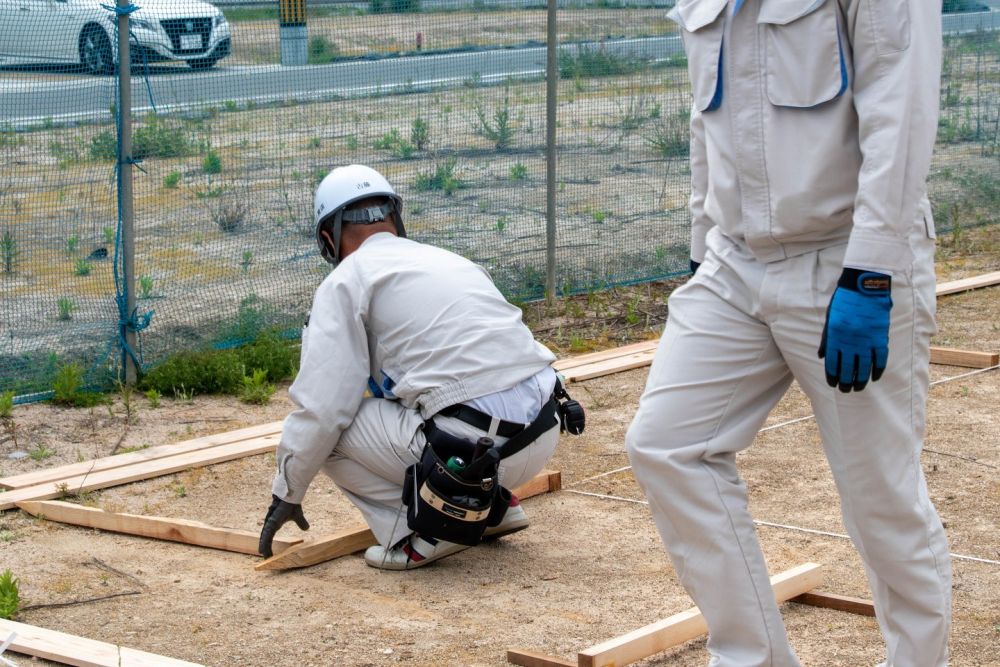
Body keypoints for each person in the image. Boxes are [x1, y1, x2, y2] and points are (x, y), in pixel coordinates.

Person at [625, 2, 950, 666]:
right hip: (733, 260)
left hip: (844, 261)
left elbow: (902, 108)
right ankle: (752, 659)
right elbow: (705, 117)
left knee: (879, 496)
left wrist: (873, 271)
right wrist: (699, 246)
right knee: (666, 444)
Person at [257, 164, 564, 570]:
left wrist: (287, 492)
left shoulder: (346, 280)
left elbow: (322, 408)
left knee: (332, 433)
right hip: (542, 433)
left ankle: (422, 532)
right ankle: (495, 510)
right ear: (396, 220)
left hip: (473, 449)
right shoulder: (449, 260)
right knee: (431, 397)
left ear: (327, 239)